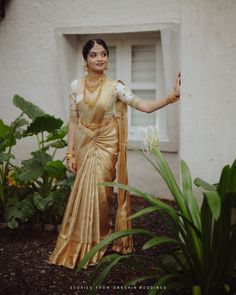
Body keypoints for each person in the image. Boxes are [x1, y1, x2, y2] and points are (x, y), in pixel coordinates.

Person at [48, 39, 180, 270]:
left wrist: (172, 96)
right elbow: (73, 121)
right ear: (85, 59)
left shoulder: (115, 87)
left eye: (104, 54)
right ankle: (77, 240)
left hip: (106, 145)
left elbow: (144, 106)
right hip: (83, 144)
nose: (100, 58)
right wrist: (69, 154)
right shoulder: (75, 86)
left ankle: (98, 240)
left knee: (100, 193)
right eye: (94, 55)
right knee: (81, 193)